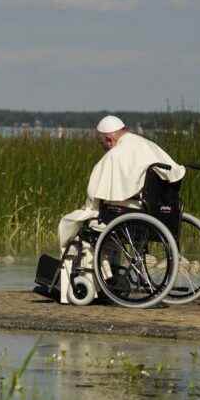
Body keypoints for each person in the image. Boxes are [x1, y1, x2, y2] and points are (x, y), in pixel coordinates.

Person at [55, 115, 185, 303]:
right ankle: (108, 275)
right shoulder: (146, 145)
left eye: (103, 144)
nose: (105, 147)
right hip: (154, 212)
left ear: (109, 139)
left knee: (72, 222)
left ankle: (93, 279)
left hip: (127, 215)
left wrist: (92, 207)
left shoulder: (115, 155)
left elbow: (95, 195)